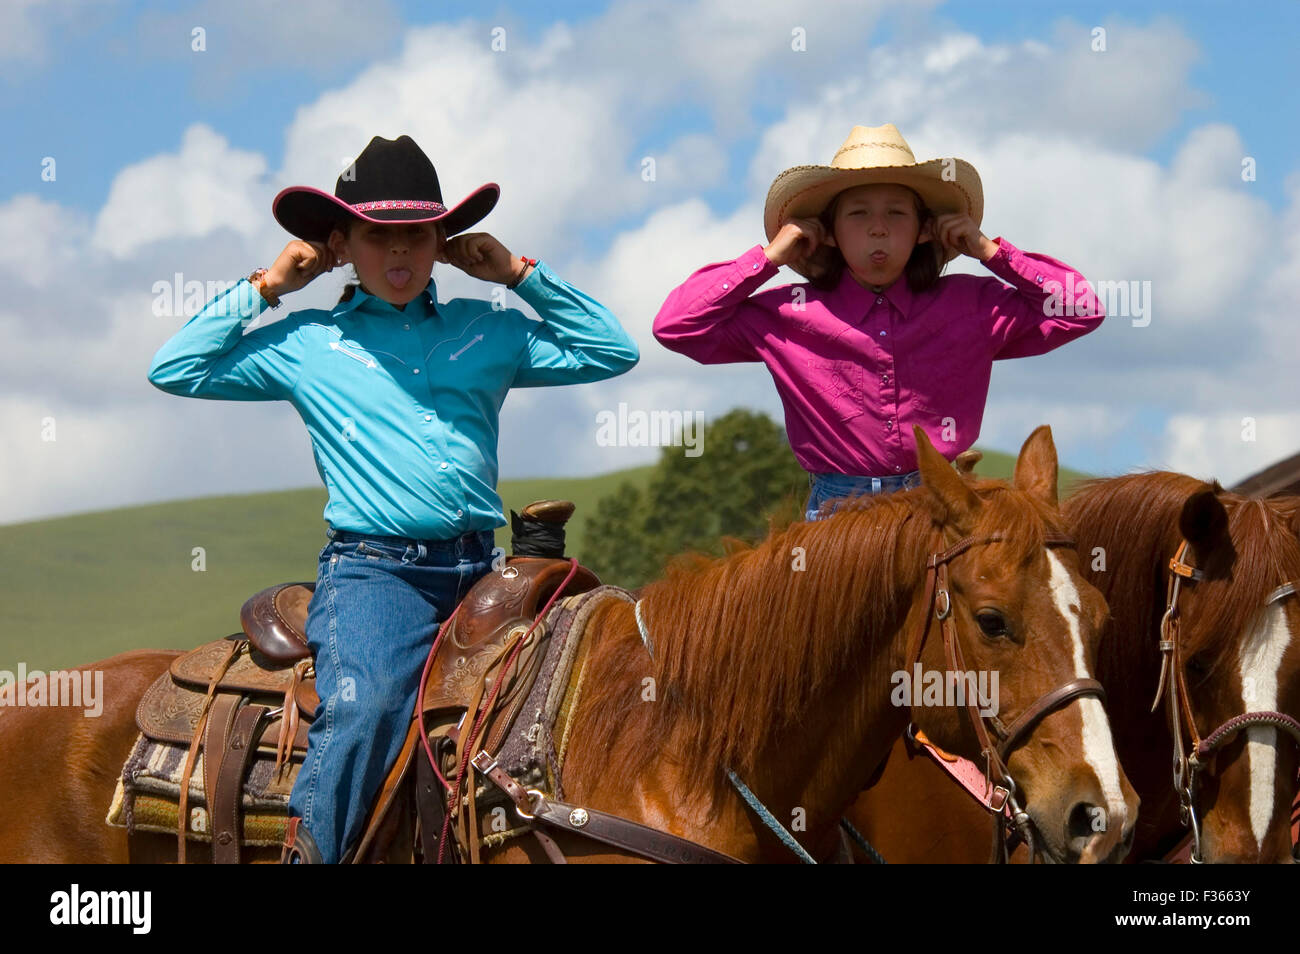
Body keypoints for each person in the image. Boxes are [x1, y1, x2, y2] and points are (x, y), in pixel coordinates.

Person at [147, 134, 639, 862]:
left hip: (487, 571)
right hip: (377, 574)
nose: (400, 254)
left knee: (596, 683)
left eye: (417, 234)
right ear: (340, 244)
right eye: (379, 236)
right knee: (365, 704)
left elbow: (611, 349)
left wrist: (519, 274)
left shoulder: (491, 329)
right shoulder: (307, 343)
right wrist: (267, 286)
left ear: (443, 241)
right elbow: (175, 367)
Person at [652, 123, 1105, 521]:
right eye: (858, 213)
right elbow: (674, 326)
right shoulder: (786, 314)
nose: (878, 228)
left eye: (896, 213)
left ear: (925, 229)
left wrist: (990, 251)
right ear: (827, 233)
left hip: (944, 507)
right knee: (818, 621)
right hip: (836, 516)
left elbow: (1082, 309)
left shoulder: (975, 305)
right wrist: (768, 258)